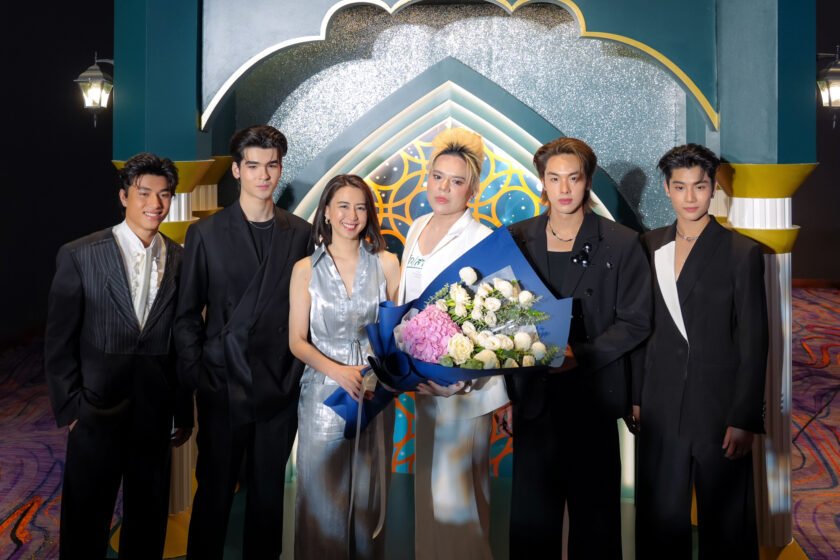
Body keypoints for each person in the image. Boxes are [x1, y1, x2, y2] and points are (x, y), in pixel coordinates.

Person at [507, 137, 651, 559]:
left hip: (593, 398)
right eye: (554, 179)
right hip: (534, 401)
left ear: (587, 181)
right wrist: (505, 391)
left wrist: (580, 356)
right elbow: (503, 319)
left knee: (596, 525)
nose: (564, 188)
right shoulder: (517, 238)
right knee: (532, 525)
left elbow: (637, 321)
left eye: (573, 178)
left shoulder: (621, 241)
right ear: (542, 182)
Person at [44, 152, 193, 559]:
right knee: (85, 523)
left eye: (164, 194)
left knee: (147, 523)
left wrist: (182, 408)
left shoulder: (181, 259)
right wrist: (72, 408)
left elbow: (182, 342)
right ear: (124, 196)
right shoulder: (80, 254)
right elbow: (58, 342)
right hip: (95, 411)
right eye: (144, 193)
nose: (155, 203)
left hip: (154, 413)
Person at [174, 125, 311, 559]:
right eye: (253, 166)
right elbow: (186, 315)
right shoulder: (206, 234)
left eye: (272, 165)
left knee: (268, 498)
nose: (263, 175)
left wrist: (294, 373)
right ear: (236, 170)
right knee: (214, 494)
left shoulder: (301, 233)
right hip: (222, 385)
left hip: (278, 386)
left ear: (281, 168)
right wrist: (199, 374)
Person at [633, 144, 768, 559]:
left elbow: (754, 340)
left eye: (700, 186)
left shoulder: (742, 251)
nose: (690, 197)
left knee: (726, 525)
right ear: (666, 188)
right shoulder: (648, 245)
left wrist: (744, 417)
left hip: (718, 409)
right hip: (659, 405)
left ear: (713, 188)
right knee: (659, 520)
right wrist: (635, 396)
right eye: (680, 187)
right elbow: (638, 328)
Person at [397, 127, 509, 560]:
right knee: (430, 491)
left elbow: (496, 319)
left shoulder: (481, 238)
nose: (444, 188)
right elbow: (406, 302)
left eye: (456, 181)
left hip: (465, 387)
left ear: (473, 190)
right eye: (437, 177)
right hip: (424, 384)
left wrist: (460, 377)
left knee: (458, 497)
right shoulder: (417, 227)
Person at [289, 174, 401, 559]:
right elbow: (296, 341)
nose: (352, 216)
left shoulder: (387, 263)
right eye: (343, 206)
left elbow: (398, 334)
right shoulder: (305, 269)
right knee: (321, 498)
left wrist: (384, 376)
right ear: (326, 212)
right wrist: (337, 371)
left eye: (360, 207)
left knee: (369, 498)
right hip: (323, 394)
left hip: (373, 394)